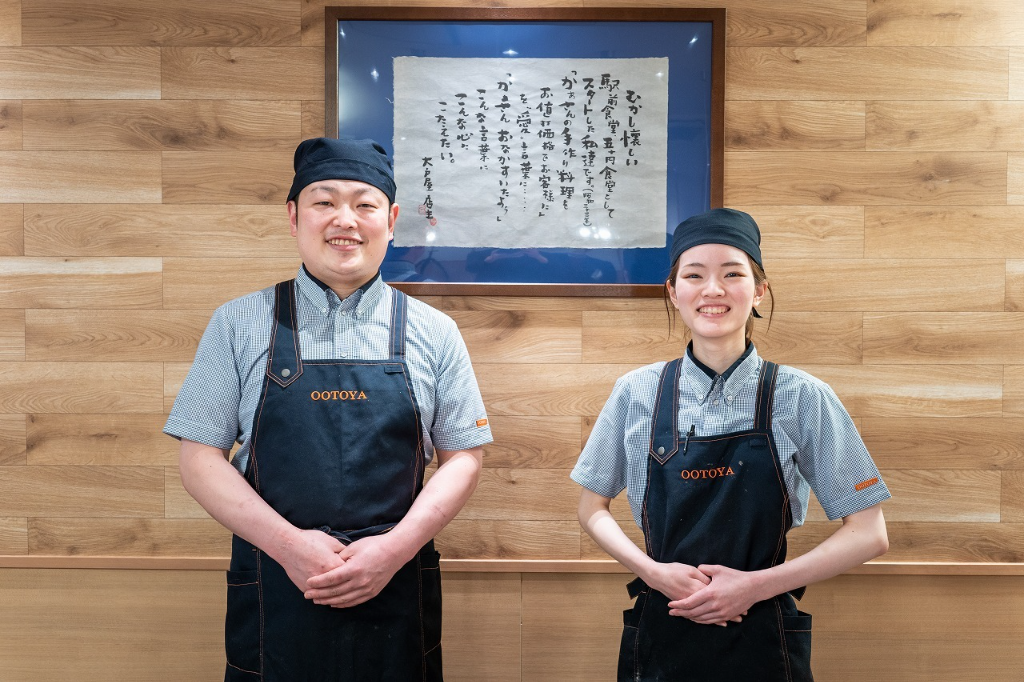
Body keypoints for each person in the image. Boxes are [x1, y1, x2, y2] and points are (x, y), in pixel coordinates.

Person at [164, 137, 492, 681]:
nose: (346, 220)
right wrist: (290, 547)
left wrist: (391, 551)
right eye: (324, 202)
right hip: (276, 589)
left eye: (364, 204)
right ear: (294, 216)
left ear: (391, 220)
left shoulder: (436, 331)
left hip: (395, 587)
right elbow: (199, 458)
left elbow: (463, 458)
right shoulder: (238, 322)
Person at [571, 208, 890, 681]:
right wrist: (654, 573)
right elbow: (591, 507)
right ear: (673, 291)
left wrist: (753, 587)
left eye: (732, 274)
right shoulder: (636, 392)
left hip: (761, 632)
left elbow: (869, 533)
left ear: (759, 290)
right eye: (694, 275)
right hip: (663, 624)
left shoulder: (802, 396)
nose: (713, 290)